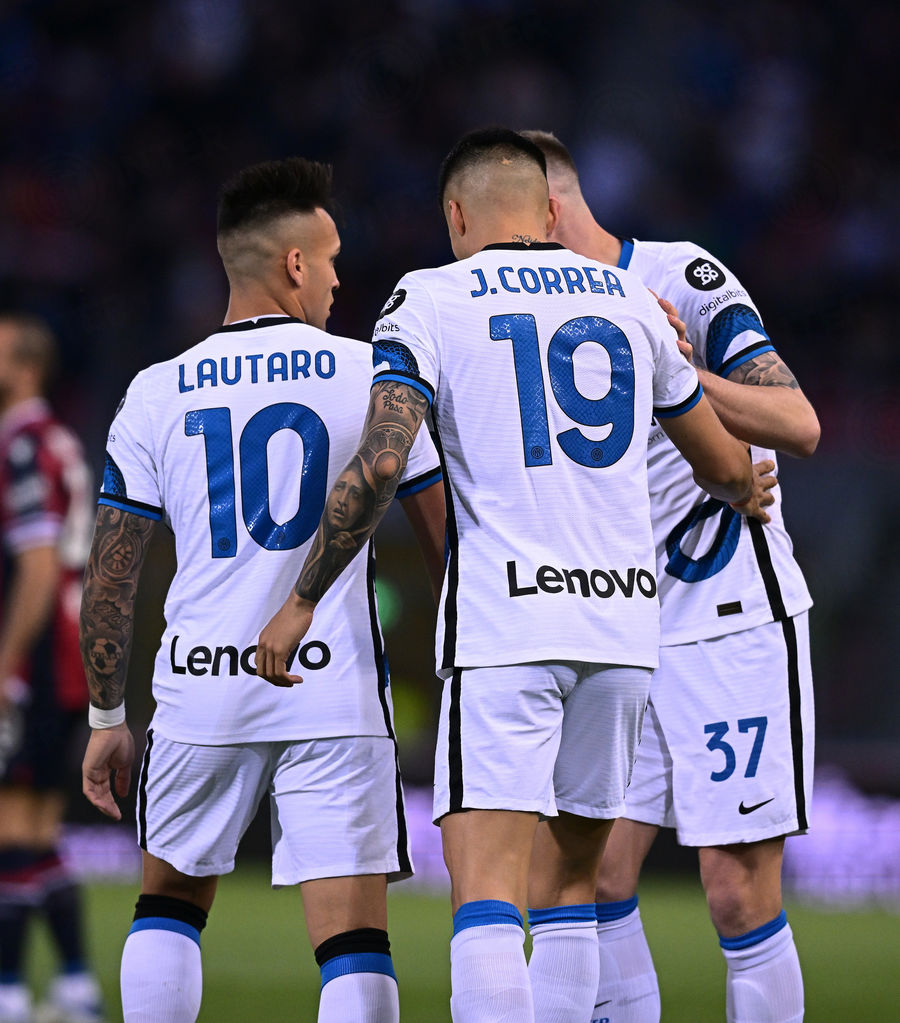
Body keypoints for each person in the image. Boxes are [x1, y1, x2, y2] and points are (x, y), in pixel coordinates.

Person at [256, 127, 754, 1023]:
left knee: (487, 890)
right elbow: (722, 463)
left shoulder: (429, 297)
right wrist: (745, 485)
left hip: (504, 629)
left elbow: (382, 461)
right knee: (573, 888)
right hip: (620, 634)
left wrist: (301, 599)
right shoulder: (629, 298)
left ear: (456, 214)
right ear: (549, 211)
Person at [78, 157, 445, 1023]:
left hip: (200, 684)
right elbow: (444, 537)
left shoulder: (155, 391)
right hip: (331, 682)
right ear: (294, 263)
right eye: (332, 260)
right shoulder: (371, 374)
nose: (337, 279)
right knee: (353, 937)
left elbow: (111, 572)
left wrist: (105, 715)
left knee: (167, 905)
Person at [522, 129, 819, 1023]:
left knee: (735, 888)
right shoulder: (528, 320)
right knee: (589, 874)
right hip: (617, 629)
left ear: (546, 211)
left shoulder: (683, 277)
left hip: (727, 619)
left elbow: (797, 422)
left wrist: (682, 373)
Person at [0, 314, 104, 1023]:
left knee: (10, 825)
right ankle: (75, 986)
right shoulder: (58, 440)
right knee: (37, 831)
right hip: (69, 656)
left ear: (28, 367)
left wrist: (6, 664)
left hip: (37, 659)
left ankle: (8, 990)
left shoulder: (21, 446)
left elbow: (37, 568)